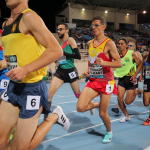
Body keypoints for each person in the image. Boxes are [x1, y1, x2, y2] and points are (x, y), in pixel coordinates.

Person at [0, 0, 70, 149]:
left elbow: (56, 50)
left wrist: (25, 69)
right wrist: (6, 64)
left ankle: (54, 116)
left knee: (20, 148)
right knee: (1, 141)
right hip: (13, 86)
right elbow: (13, 53)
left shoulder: (29, 17)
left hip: (32, 89)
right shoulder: (6, 24)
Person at [76, 16, 122, 143]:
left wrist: (105, 63)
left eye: (96, 25)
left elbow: (119, 63)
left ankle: (109, 132)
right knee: (80, 107)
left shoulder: (109, 43)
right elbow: (91, 61)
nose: (93, 28)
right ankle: (96, 105)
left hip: (106, 82)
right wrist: (89, 71)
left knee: (102, 114)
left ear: (103, 27)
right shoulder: (90, 43)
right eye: (92, 25)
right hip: (93, 81)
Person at [44, 23, 81, 120]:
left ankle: (89, 104)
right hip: (60, 71)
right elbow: (62, 57)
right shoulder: (60, 44)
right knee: (49, 94)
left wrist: (65, 53)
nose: (58, 31)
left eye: (60, 29)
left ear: (67, 30)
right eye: (58, 30)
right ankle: (45, 119)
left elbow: (78, 56)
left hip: (70, 71)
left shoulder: (70, 40)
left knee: (78, 95)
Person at [114, 39, 142, 122]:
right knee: (119, 99)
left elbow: (140, 64)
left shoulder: (132, 53)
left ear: (126, 45)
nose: (119, 45)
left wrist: (135, 75)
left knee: (128, 102)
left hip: (130, 79)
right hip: (122, 79)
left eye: (122, 43)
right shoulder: (117, 55)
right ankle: (126, 116)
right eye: (118, 43)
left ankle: (136, 92)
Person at [140, 45, 150, 125]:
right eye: (149, 46)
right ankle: (138, 91)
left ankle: (149, 118)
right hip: (147, 80)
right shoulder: (145, 55)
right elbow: (143, 65)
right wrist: (141, 76)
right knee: (146, 103)